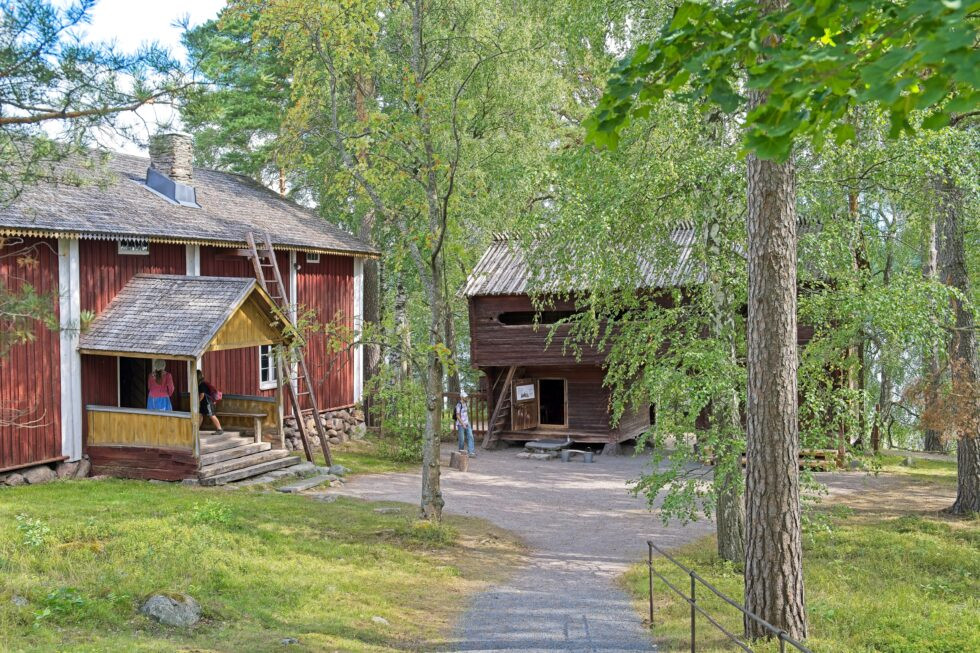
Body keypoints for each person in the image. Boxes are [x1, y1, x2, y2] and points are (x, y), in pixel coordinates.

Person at [196, 369, 223, 434]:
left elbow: (202, 395)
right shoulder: (203, 383)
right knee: (200, 415)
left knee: (211, 415)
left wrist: (198, 401)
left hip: (207, 403)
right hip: (205, 403)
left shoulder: (201, 384)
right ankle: (196, 429)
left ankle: (219, 429)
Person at [454, 390, 476, 457]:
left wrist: (466, 422)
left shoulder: (466, 403)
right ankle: (461, 451)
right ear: (461, 397)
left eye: (466, 397)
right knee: (462, 439)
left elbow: (465, 413)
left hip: (467, 423)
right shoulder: (458, 405)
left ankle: (471, 452)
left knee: (470, 436)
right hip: (461, 424)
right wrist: (463, 424)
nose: (466, 398)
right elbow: (457, 416)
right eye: (465, 397)